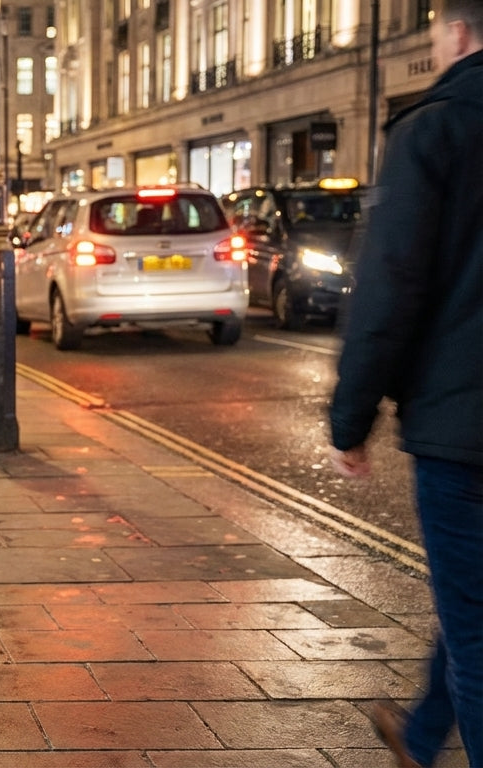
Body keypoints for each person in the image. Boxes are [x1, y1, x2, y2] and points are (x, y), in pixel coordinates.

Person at [328, 1, 483, 765]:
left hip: (465, 434)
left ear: (456, 33)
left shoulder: (438, 126)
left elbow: (389, 286)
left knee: (477, 624)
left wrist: (349, 420)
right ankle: (422, 734)